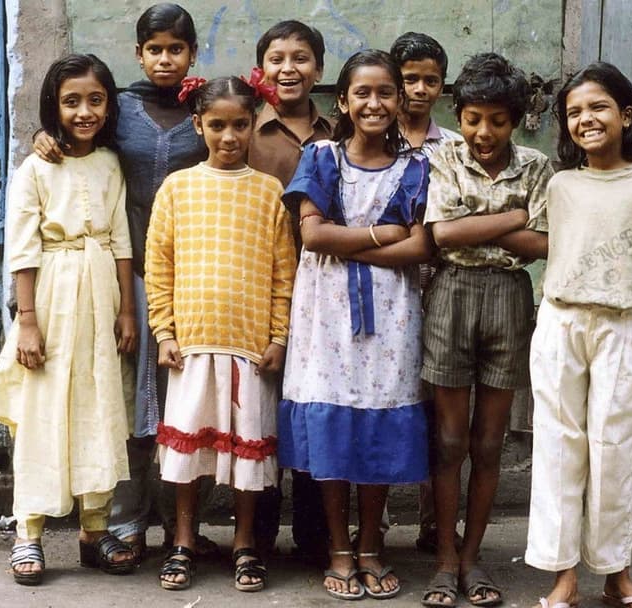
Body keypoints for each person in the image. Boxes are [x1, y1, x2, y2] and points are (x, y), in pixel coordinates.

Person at [32, 3, 211, 562]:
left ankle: (184, 524)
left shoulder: (204, 108)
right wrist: (44, 136)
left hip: (192, 264)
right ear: (139, 53)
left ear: (191, 54)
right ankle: (126, 519)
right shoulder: (119, 108)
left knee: (189, 390)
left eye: (175, 49)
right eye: (154, 48)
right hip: (124, 264)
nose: (165, 59)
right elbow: (75, 132)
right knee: (131, 387)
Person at [527, 61, 632, 608]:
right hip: (561, 321)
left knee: (613, 449)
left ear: (627, 114)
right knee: (558, 446)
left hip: (623, 327)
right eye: (573, 112)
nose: (585, 120)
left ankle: (616, 574)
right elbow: (547, 243)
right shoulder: (561, 184)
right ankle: (563, 576)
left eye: (597, 107)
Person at [276, 49, 431, 601]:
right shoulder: (321, 158)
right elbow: (313, 236)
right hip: (327, 313)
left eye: (385, 92)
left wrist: (361, 242)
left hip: (392, 313)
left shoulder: (415, 168)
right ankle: (339, 546)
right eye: (362, 93)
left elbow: (421, 244)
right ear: (341, 101)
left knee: (379, 422)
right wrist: (380, 236)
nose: (374, 103)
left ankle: (371, 543)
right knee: (335, 420)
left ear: (400, 100)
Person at [0, 53, 137, 585]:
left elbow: (120, 240)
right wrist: (27, 321)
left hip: (101, 298)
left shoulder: (111, 163)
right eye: (71, 102)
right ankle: (29, 533)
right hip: (50, 295)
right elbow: (22, 249)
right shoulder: (36, 167)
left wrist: (128, 310)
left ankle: (95, 530)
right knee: (44, 412)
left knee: (99, 406)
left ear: (109, 104)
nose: (84, 111)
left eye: (95, 100)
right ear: (54, 106)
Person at [145, 74, 296, 593]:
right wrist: (164, 332)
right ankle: (183, 540)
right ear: (198, 125)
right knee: (190, 457)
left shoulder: (269, 191)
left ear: (254, 124)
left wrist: (278, 337)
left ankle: (246, 543)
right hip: (192, 344)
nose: (229, 137)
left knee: (249, 456)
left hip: (250, 346)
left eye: (239, 125)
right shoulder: (178, 188)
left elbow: (284, 272)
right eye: (217, 126)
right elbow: (159, 265)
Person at [421, 52, 554, 607]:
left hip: (507, 298)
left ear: (516, 119)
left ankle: (474, 557)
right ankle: (445, 558)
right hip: (451, 294)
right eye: (474, 117)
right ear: (460, 112)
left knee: (489, 443)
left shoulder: (537, 166)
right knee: (450, 441)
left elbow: (546, 243)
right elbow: (443, 236)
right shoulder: (444, 157)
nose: (483, 132)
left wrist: (475, 227)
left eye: (498, 120)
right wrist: (513, 218)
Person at [248, 19, 335, 560]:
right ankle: (254, 534)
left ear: (319, 70)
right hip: (258, 287)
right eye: (277, 58)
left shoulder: (340, 131)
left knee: (312, 403)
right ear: (262, 70)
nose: (289, 69)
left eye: (301, 58)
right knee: (260, 406)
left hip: (326, 290)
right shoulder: (243, 129)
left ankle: (312, 532)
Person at [387, 30, 463, 555]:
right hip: (386, 287)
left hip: (439, 290)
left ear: (442, 86)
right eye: (408, 79)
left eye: (429, 80)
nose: (418, 89)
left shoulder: (453, 146)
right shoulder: (370, 134)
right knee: (383, 401)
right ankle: (376, 517)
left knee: (437, 408)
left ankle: (435, 520)